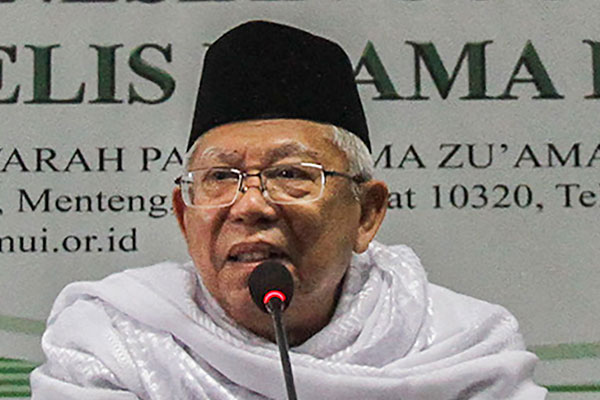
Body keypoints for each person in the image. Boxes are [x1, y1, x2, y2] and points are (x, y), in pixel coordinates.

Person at [30, 21, 547, 399]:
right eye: (220, 178)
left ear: (367, 214)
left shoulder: (462, 347)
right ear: (185, 217)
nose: (251, 205)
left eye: (290, 174)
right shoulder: (114, 342)